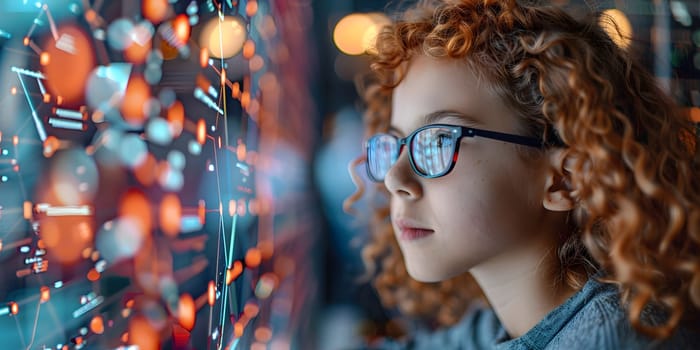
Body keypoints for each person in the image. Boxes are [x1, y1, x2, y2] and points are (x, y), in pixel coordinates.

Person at [344, 0, 700, 348]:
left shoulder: (610, 339)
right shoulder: (496, 325)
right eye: (396, 143)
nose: (394, 179)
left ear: (566, 179)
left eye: (437, 141)